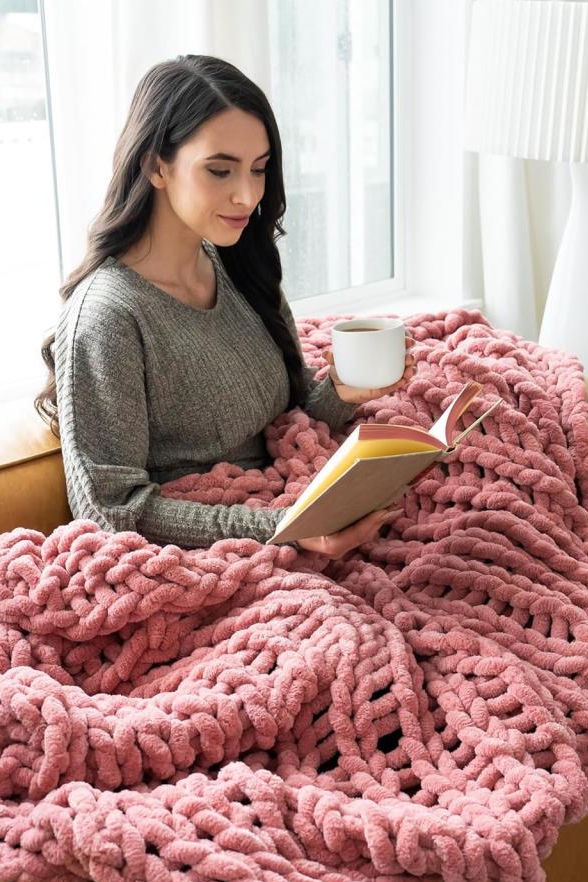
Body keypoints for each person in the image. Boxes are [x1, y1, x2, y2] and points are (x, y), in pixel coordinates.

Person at [34, 54, 414, 559]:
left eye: (259, 170)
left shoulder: (241, 264)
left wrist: (342, 391)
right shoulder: (108, 317)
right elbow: (110, 509)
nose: (247, 195)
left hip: (296, 517)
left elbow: (285, 424)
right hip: (206, 557)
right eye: (220, 170)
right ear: (155, 165)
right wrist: (282, 528)